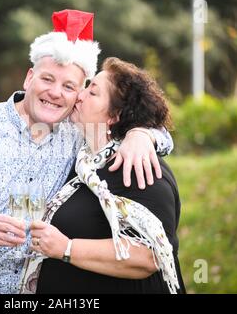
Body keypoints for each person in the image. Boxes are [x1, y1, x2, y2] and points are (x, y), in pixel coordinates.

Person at [0, 10, 174, 294]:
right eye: (47, 79)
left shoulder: (78, 135)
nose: (55, 93)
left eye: (68, 86)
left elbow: (135, 122)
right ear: (29, 78)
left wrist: (142, 135)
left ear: (79, 94)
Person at [23, 57, 186, 294]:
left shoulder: (139, 167)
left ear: (114, 115)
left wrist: (66, 248)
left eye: (92, 92)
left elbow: (148, 256)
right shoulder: (85, 162)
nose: (79, 94)